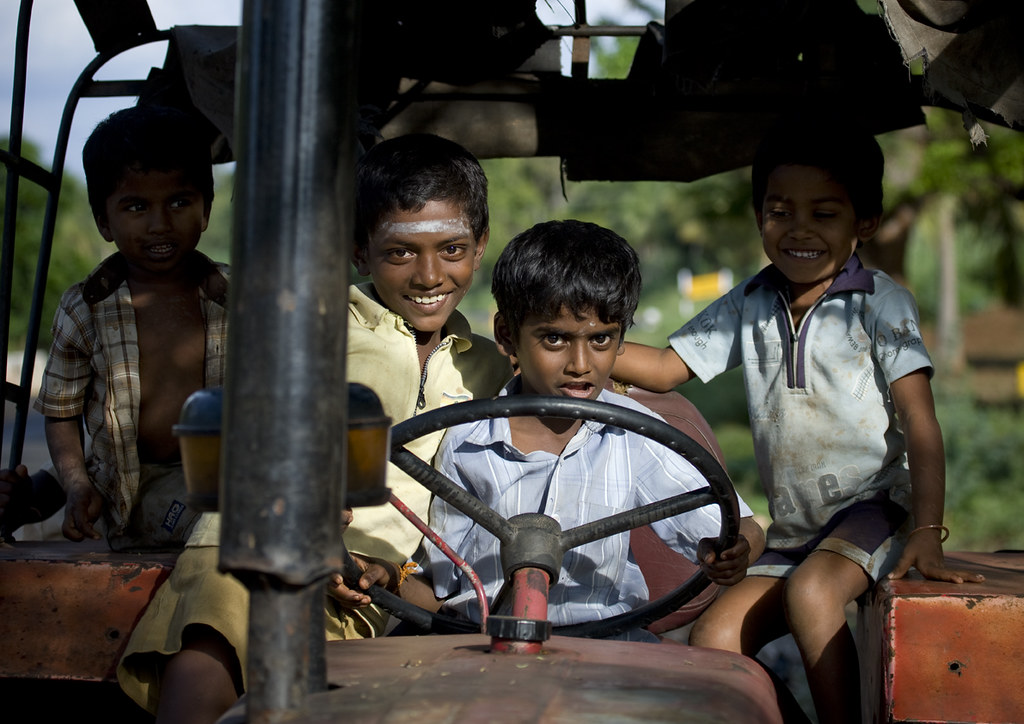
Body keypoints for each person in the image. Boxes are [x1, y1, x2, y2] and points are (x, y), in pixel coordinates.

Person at [117, 133, 512, 724]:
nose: (430, 275)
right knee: (217, 641)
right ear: (358, 251)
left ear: (480, 246)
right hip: (263, 542)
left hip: (372, 583)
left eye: (451, 249)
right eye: (400, 253)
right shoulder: (312, 332)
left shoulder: (490, 366)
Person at [611, 116, 985, 722]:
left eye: (825, 213)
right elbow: (661, 367)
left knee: (814, 595)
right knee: (715, 641)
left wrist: (926, 533)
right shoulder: (752, 301)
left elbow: (921, 421)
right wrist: (578, 344)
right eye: (780, 211)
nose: (799, 230)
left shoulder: (879, 303)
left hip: (872, 510)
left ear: (865, 222)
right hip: (794, 531)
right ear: (760, 215)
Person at [344, 220, 765, 640]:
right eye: (554, 339)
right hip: (484, 644)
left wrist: (734, 550)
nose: (580, 363)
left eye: (601, 340)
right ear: (507, 335)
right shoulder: (466, 442)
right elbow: (444, 589)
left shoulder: (636, 436)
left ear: (620, 340)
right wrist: (388, 577)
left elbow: (740, 526)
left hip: (605, 642)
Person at [32, 104, 227, 552]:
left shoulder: (236, 298)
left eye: (179, 202)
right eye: (136, 207)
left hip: (227, 469)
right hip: (135, 484)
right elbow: (61, 411)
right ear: (104, 221)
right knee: (216, 518)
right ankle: (47, 491)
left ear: (205, 210)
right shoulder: (85, 308)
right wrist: (77, 483)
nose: (160, 223)